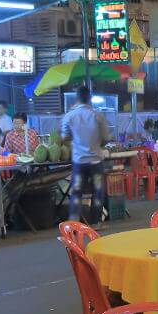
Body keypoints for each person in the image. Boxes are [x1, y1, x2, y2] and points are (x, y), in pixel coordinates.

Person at [61, 86, 111, 223]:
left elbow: (64, 137)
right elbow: (106, 138)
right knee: (97, 192)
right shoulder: (98, 116)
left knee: (76, 193)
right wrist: (97, 145)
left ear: (77, 99)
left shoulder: (69, 116)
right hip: (96, 161)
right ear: (90, 99)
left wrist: (76, 140)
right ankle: (96, 223)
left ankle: (73, 223)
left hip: (79, 162)